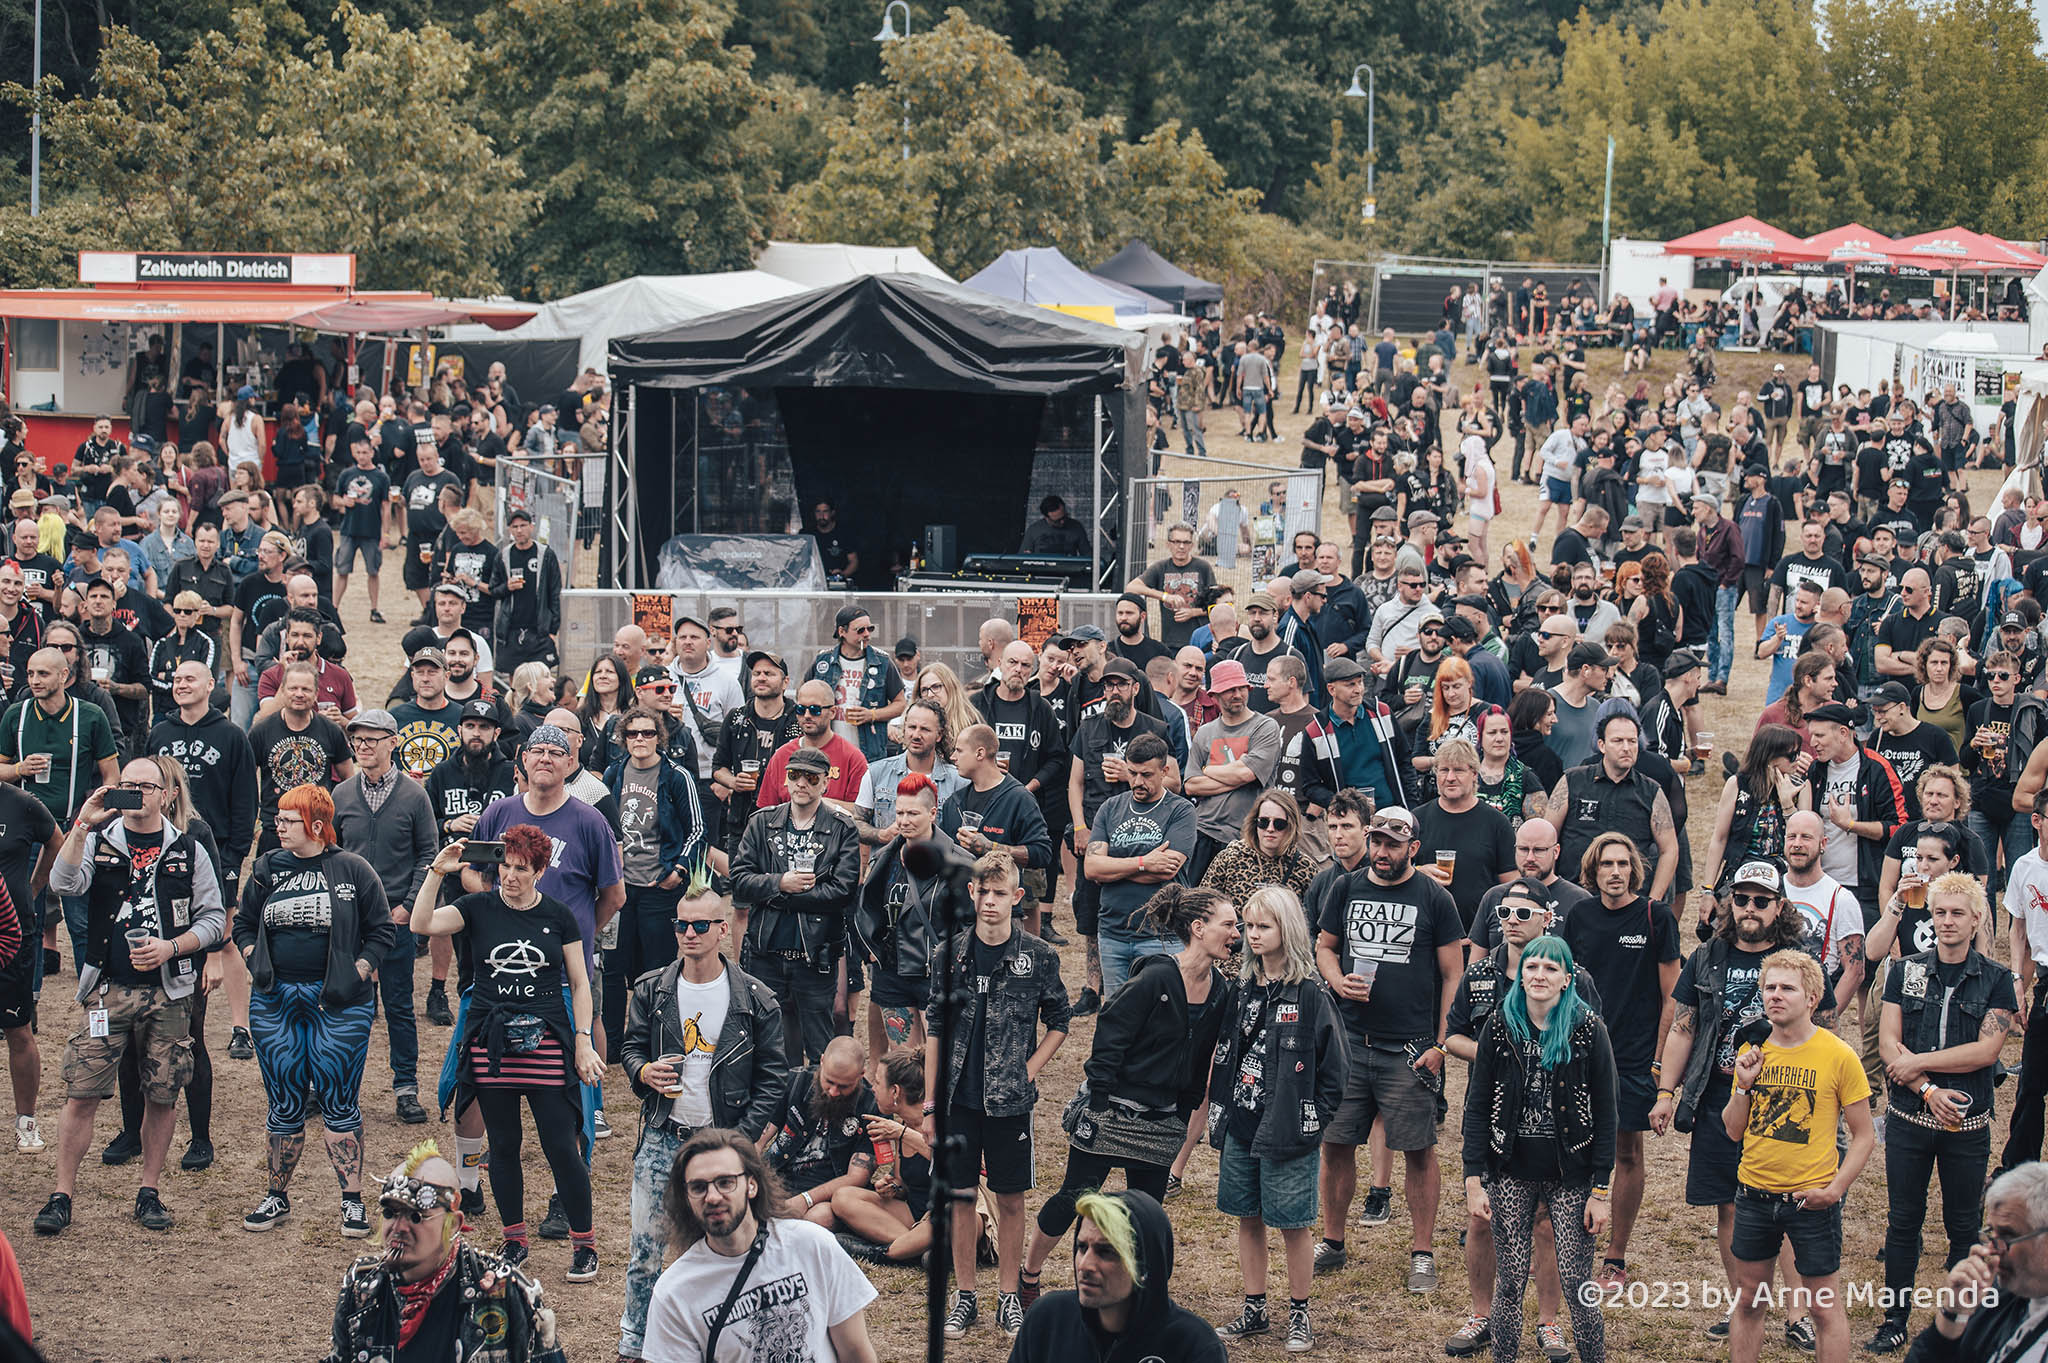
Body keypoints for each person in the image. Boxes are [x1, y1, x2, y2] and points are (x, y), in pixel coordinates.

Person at [30, 762, 225, 1238]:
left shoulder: (188, 848)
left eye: (145, 786)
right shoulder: (100, 839)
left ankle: (148, 1191)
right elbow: (63, 884)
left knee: (163, 1094)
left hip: (169, 992)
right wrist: (82, 823)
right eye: (128, 786)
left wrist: (171, 947)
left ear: (167, 794)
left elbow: (214, 919)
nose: (136, 793)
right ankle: (61, 1195)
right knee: (82, 1092)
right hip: (106, 989)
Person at [1023, 884, 1236, 1310]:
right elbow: (1110, 1034)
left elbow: (1203, 1057)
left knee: (1146, 1213)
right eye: (1229, 924)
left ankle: (1136, 1296)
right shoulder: (1156, 977)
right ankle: (1028, 1276)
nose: (1237, 933)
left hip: (1163, 1119)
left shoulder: (1220, 991)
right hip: (1113, 1111)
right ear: (1198, 928)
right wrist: (1100, 1101)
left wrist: (1184, 1111)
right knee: (1074, 1197)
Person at [410, 826, 604, 1281]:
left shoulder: (559, 915)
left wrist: (582, 1040)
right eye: (506, 866)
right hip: (491, 1042)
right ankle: (514, 1239)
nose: (510, 876)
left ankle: (584, 1244)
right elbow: (422, 924)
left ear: (540, 871)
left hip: (547, 1041)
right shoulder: (477, 907)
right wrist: (437, 872)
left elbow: (580, 983)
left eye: (521, 869)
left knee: (562, 1146)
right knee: (502, 1145)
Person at [616, 881, 788, 1361]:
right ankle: (635, 1345)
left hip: (722, 1143)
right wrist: (642, 1071)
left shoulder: (756, 999)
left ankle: (727, 1344)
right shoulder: (653, 988)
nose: (688, 934)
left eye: (699, 925)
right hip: (662, 1137)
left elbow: (773, 1078)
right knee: (645, 1252)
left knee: (730, 1250)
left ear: (722, 930)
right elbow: (631, 1047)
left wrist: (740, 1140)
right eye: (681, 925)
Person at [1312, 805, 1464, 1287]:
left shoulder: (1434, 897)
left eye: (1392, 844)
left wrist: (1441, 1044)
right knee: (1336, 1143)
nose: (1381, 851)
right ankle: (1333, 1241)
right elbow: (1325, 947)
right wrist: (1337, 981)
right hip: (1349, 1041)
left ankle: (1422, 1252)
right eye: (1376, 841)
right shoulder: (1345, 887)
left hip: (1410, 1049)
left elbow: (1453, 974)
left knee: (1418, 1150)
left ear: (1413, 848)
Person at [234, 784, 395, 1239]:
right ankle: (277, 1196)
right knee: (284, 1102)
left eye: (289, 820)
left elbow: (382, 931)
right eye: (278, 819)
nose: (278, 827)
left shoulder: (353, 869)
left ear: (317, 826)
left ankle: (352, 1201)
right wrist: (254, 960)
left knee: (339, 1103)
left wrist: (357, 972)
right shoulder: (267, 868)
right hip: (275, 1001)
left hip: (339, 1005)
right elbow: (243, 923)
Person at [1868, 872, 2018, 1352]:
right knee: (1902, 1222)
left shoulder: (1996, 979)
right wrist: (1929, 1089)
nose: (1947, 921)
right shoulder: (1906, 970)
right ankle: (1894, 1319)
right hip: (1911, 1119)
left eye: (1957, 913)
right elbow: (1889, 1045)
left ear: (1976, 920)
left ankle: (1961, 1325)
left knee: (1963, 1227)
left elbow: (1987, 1051)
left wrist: (1917, 1063)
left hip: (1967, 1126)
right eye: (1939, 912)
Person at [927, 851, 1070, 1341]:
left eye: (1000, 893)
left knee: (1010, 1198)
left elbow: (1060, 1019)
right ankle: (965, 1295)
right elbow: (935, 1026)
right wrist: (930, 1104)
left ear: (1017, 897)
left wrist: (1030, 1069)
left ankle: (1009, 1296)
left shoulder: (1039, 956)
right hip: (956, 1100)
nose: (990, 901)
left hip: (1009, 1103)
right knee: (961, 1198)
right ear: (972, 893)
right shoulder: (948, 953)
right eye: (983, 892)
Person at [1462, 935, 1617, 1363]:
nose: (1539, 975)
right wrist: (1474, 1179)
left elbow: (1607, 1113)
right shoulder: (1500, 1025)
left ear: (1567, 978)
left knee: (1577, 1284)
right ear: (1521, 974)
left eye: (1551, 968)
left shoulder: (1588, 1028)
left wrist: (1600, 1190)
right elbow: (1477, 1105)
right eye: (1532, 967)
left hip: (1572, 1175)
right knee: (1510, 1284)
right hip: (1510, 1170)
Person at [1206, 884, 1347, 1352]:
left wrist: (1313, 1120)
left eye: (1263, 926)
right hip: (1241, 1124)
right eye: (1248, 926)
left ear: (1287, 929)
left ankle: (1300, 1312)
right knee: (1247, 1217)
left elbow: (1336, 1070)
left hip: (1288, 1130)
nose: (1253, 935)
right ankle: (1255, 1308)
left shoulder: (1311, 994)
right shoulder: (1241, 988)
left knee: (1292, 1224)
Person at [1721, 950, 1876, 1363]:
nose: (1775, 995)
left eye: (1786, 988)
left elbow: (1864, 1136)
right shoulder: (1752, 1050)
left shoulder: (1838, 1055)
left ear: (1811, 998)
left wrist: (1835, 1190)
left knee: (1823, 1307)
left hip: (1812, 1201)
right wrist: (1743, 1085)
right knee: (1749, 1301)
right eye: (1769, 987)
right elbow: (1733, 1129)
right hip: (1754, 1196)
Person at [641, 1127, 882, 1362]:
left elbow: (855, 1352)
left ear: (752, 1185)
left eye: (725, 1182)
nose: (712, 1197)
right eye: (698, 1187)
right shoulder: (675, 1294)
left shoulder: (812, 1245)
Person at [320, 1142, 564, 1363]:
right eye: (390, 1213)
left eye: (417, 1216)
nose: (399, 1227)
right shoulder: (364, 1284)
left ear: (454, 1224)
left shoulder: (500, 1288)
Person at [330, 707, 438, 1127]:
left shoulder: (414, 796)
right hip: (349, 918)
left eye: (371, 740)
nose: (362, 747)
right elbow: (330, 853)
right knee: (344, 1004)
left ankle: (406, 1088)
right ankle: (335, 1087)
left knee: (398, 1005)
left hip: (395, 918)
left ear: (393, 743)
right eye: (357, 740)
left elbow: (428, 854)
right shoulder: (341, 795)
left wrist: (409, 906)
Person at [731, 745, 861, 1065]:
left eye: (811, 777)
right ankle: (781, 1101)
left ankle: (818, 1100)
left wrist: (782, 894)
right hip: (766, 953)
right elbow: (739, 880)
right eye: (795, 775)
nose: (802, 783)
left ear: (825, 783)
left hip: (815, 957)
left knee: (819, 1050)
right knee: (770, 1050)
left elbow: (843, 891)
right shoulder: (761, 823)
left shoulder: (842, 828)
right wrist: (780, 883)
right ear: (785, 780)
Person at [1007, 1188, 1227, 1363]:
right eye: (1082, 1247)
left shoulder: (1194, 1346)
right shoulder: (1048, 1320)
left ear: (1145, 1266)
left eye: (1106, 1252)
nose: (1085, 1265)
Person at [1084, 733, 1198, 998]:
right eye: (1132, 773)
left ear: (1164, 771)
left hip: (1162, 934)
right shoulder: (1110, 807)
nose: (1137, 782)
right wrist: (1144, 862)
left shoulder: (1181, 810)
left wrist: (1111, 869)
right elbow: (1091, 869)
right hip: (1113, 932)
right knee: (1117, 1014)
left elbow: (1166, 870)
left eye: (1146, 775)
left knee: (1160, 1013)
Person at [1544, 706, 1681, 903]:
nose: (1626, 747)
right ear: (1602, 745)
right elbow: (1547, 838)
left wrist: (1653, 902)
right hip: (1574, 897)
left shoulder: (1651, 791)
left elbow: (1669, 849)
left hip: (1629, 901)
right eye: (1618, 741)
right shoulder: (1573, 781)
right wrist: (1551, 890)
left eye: (1632, 741)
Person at [764, 1037, 880, 1227]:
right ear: (822, 1061)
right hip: (779, 1179)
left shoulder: (872, 1107)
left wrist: (806, 1199)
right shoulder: (795, 1081)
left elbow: (857, 1177)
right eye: (829, 1081)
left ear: (861, 1075)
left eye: (844, 1086)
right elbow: (760, 1136)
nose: (833, 1091)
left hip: (827, 1193)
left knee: (818, 1218)